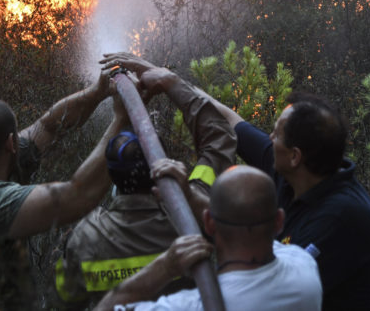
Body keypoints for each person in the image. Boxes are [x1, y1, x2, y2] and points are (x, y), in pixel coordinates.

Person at [103, 52, 370, 311]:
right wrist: (168, 80)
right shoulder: (298, 172)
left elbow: (256, 271)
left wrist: (166, 265)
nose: (268, 139)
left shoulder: (341, 218)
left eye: (275, 135)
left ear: (295, 156)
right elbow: (229, 120)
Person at [0, 70, 126, 309]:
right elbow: (78, 196)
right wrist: (122, 120)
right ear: (10, 143)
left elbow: (48, 127)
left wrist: (95, 92)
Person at [55, 67, 237, 305]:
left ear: (110, 174)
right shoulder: (194, 214)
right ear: (161, 164)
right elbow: (219, 137)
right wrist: (170, 82)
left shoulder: (85, 237)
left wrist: (119, 118)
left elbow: (65, 296)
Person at [93, 164, 322, 310]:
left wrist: (165, 267)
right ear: (279, 221)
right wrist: (190, 195)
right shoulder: (305, 269)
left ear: (209, 224)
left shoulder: (190, 306)